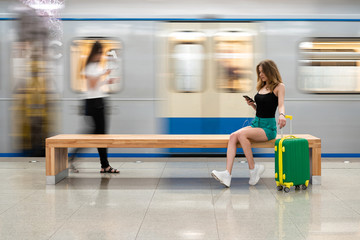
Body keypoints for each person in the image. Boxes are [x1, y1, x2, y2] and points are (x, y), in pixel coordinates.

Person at [211, 59, 286, 187]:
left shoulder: (279, 87)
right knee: (233, 136)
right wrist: (253, 105)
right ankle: (227, 174)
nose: (260, 75)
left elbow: (281, 105)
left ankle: (253, 169)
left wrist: (282, 115)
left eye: (263, 72)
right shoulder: (261, 87)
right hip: (256, 124)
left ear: (270, 70)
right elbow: (262, 110)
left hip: (268, 128)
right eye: (259, 72)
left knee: (242, 135)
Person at [69, 41, 119, 174]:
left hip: (98, 101)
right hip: (93, 103)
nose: (101, 55)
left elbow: (95, 84)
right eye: (100, 53)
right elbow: (91, 85)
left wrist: (106, 80)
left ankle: (104, 165)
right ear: (95, 53)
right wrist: (104, 73)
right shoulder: (90, 66)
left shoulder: (95, 66)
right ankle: (73, 157)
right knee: (98, 135)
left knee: (100, 135)